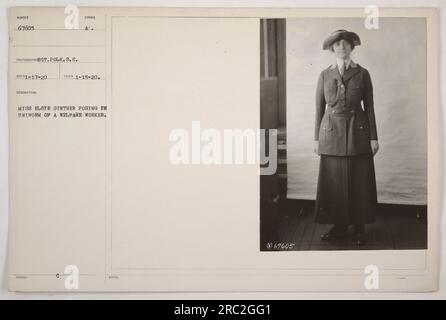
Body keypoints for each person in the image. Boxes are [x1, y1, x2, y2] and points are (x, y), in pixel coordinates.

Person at [313, 29, 379, 246]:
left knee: (359, 180)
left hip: (357, 132)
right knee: (334, 181)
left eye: (345, 44)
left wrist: (373, 137)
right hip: (331, 133)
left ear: (352, 47)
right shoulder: (324, 74)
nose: (341, 47)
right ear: (332, 49)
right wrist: (316, 138)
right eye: (337, 44)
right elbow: (319, 108)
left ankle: (359, 227)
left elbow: (369, 107)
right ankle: (339, 226)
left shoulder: (363, 73)